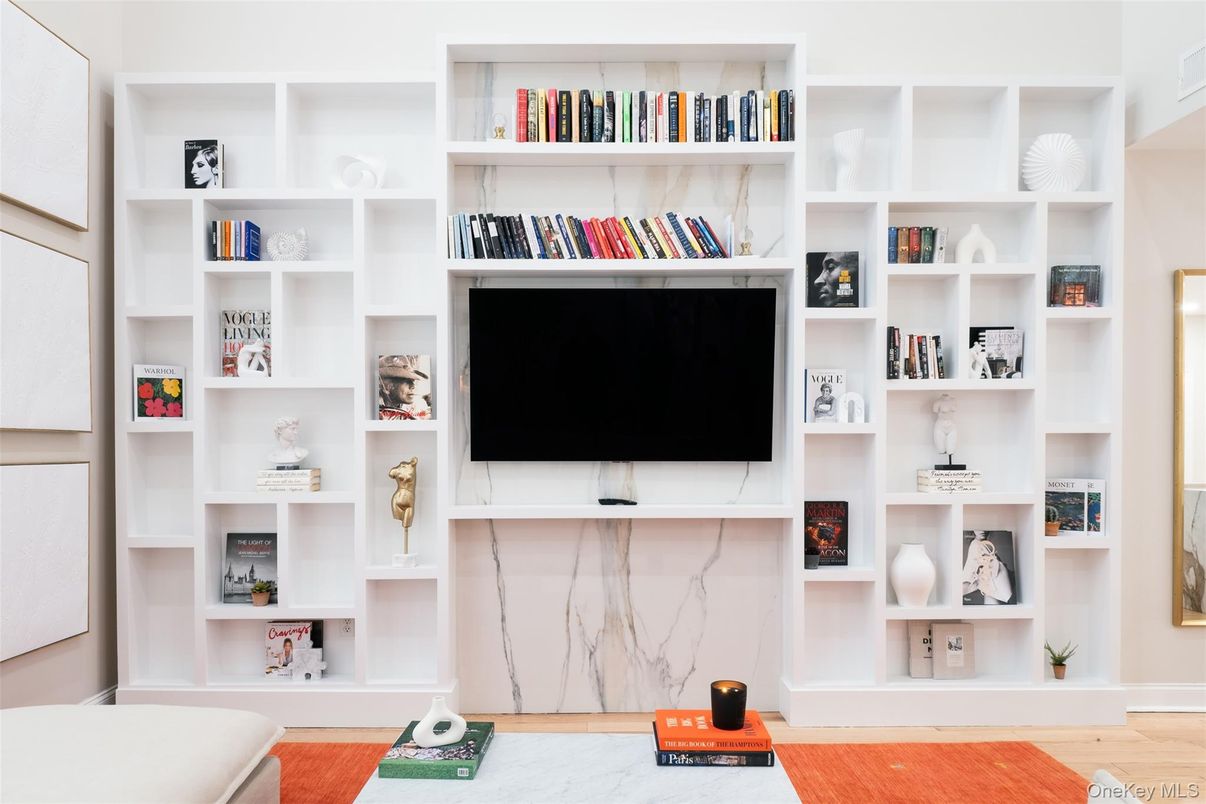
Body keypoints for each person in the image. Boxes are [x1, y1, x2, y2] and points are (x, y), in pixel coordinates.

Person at [378, 356, 432, 420]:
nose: (413, 386)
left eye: (413, 381)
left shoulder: (417, 406)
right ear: (387, 388)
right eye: (407, 381)